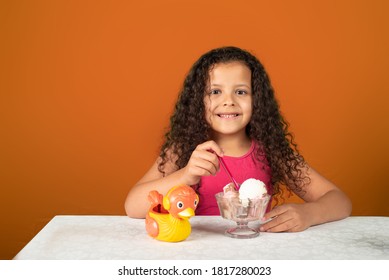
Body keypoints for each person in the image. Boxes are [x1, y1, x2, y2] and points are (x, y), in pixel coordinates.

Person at [125, 46, 352, 232]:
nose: (228, 101)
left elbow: (340, 201)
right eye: (215, 92)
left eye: (241, 92)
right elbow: (132, 206)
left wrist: (308, 213)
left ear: (257, 101)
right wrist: (185, 175)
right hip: (196, 256)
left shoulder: (272, 152)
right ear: (198, 101)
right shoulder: (184, 151)